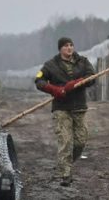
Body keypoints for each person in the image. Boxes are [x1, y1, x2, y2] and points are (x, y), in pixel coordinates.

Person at [34, 37, 97, 187]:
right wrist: (54, 89)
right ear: (60, 49)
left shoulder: (82, 62)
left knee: (80, 141)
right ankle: (66, 174)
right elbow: (38, 81)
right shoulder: (51, 65)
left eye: (71, 45)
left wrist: (77, 83)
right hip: (61, 108)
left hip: (79, 107)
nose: (69, 48)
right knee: (65, 140)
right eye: (66, 46)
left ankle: (66, 163)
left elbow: (92, 77)